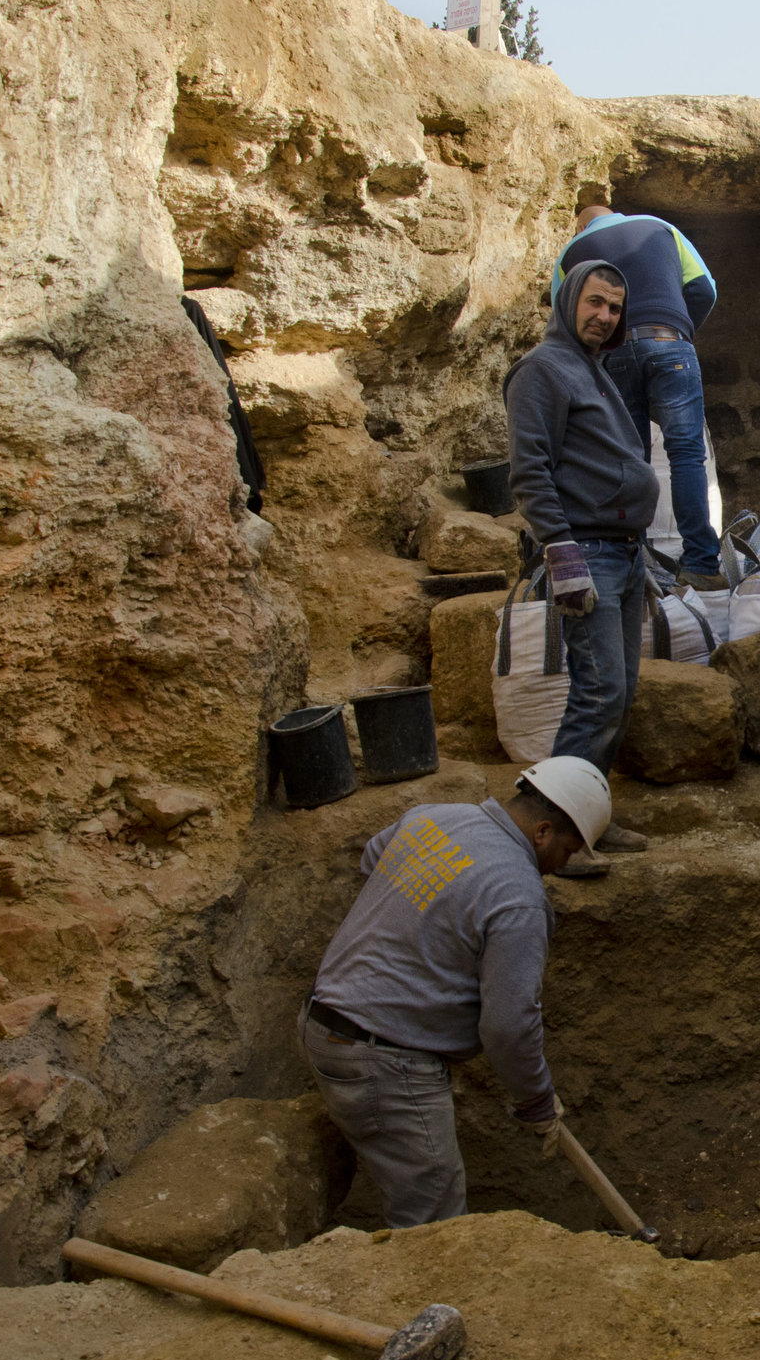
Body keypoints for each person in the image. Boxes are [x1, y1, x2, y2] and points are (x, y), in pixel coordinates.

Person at [300, 757, 613, 1226]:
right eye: (570, 850)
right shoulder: (520, 897)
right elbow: (508, 1025)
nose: (565, 864)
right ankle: (428, 1300)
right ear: (543, 831)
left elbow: (372, 859)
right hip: (385, 1060)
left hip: (321, 1021)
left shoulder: (432, 818)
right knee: (433, 1222)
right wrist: (536, 1101)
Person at [504, 258, 656, 876]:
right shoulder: (541, 370)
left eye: (615, 308)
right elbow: (529, 470)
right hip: (586, 551)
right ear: (570, 301)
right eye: (595, 303)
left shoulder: (592, 369)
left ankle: (587, 815)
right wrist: (559, 547)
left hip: (622, 551)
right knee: (599, 694)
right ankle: (552, 835)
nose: (604, 317)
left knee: (619, 693)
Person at [554, 205, 722, 588]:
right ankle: (701, 566)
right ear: (618, 214)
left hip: (613, 357)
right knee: (686, 455)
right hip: (669, 344)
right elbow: (703, 288)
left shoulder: (571, 251)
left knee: (630, 461)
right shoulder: (662, 227)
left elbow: (563, 318)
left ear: (581, 226)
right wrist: (678, 325)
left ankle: (635, 566)